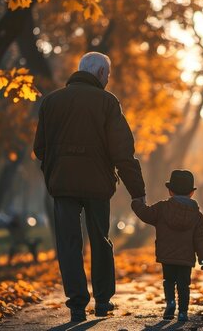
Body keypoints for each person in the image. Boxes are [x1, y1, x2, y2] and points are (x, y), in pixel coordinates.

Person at [33, 52, 146, 323]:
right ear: (99, 74)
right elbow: (123, 152)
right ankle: (103, 301)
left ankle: (76, 305)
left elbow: (39, 149)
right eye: (107, 74)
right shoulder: (107, 102)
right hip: (97, 184)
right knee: (100, 240)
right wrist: (138, 193)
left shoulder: (51, 102)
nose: (108, 80)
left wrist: (55, 168)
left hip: (63, 184)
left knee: (69, 244)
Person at [131, 169, 203, 322]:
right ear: (192, 193)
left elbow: (146, 214)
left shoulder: (162, 208)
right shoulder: (197, 216)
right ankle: (183, 312)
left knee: (169, 281)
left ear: (170, 191)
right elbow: (200, 238)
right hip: (186, 258)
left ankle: (170, 303)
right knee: (183, 285)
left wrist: (136, 203)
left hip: (167, 256)